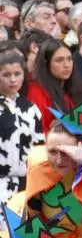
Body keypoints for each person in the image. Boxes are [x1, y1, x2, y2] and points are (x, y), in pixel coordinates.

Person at [0, 50, 42, 203]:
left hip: (28, 183)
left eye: (17, 74)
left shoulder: (31, 108)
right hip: (1, 183)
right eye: (6, 75)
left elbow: (39, 146)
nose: (12, 80)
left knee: (26, 227)